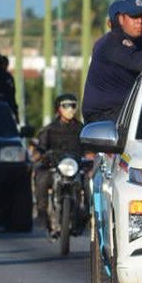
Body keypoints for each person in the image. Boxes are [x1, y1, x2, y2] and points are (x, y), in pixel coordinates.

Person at [82, 0, 142, 123]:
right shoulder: (111, 42)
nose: (140, 22)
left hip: (125, 110)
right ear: (121, 19)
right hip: (105, 116)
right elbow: (139, 62)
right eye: (134, 17)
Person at [32, 93, 85, 230]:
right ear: (58, 108)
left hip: (77, 167)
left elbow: (90, 147)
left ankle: (86, 214)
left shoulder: (82, 129)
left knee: (92, 181)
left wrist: (91, 154)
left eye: (73, 105)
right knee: (42, 177)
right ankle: (42, 213)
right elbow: (41, 147)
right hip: (56, 167)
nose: (70, 109)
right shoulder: (50, 129)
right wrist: (40, 154)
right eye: (66, 106)